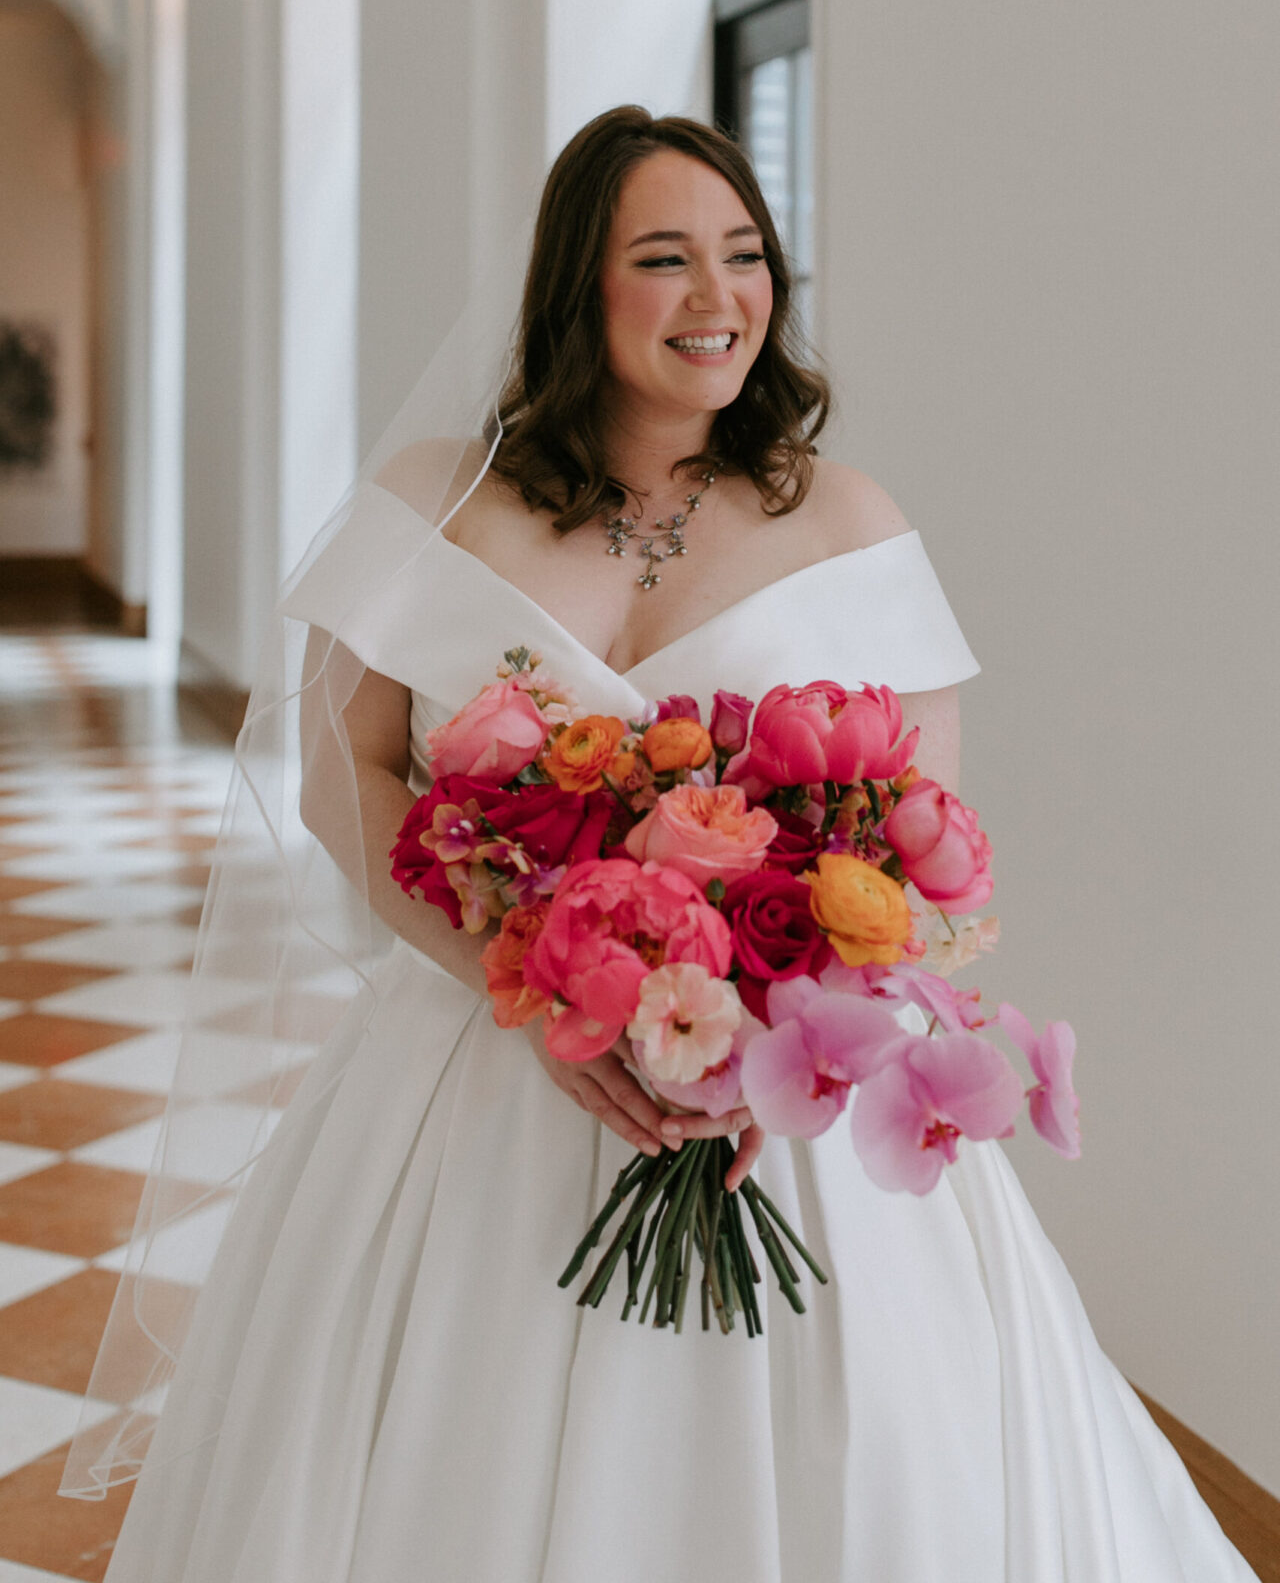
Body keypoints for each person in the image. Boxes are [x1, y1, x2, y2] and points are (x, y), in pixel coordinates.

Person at [73, 108, 1257, 1580]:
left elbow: (910, 846)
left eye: (746, 255)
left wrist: (767, 1043)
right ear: (581, 285)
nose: (719, 298)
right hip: (479, 1068)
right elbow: (343, 776)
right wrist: (552, 1011)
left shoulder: (848, 521)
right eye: (664, 258)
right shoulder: (438, 498)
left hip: (786, 1102)